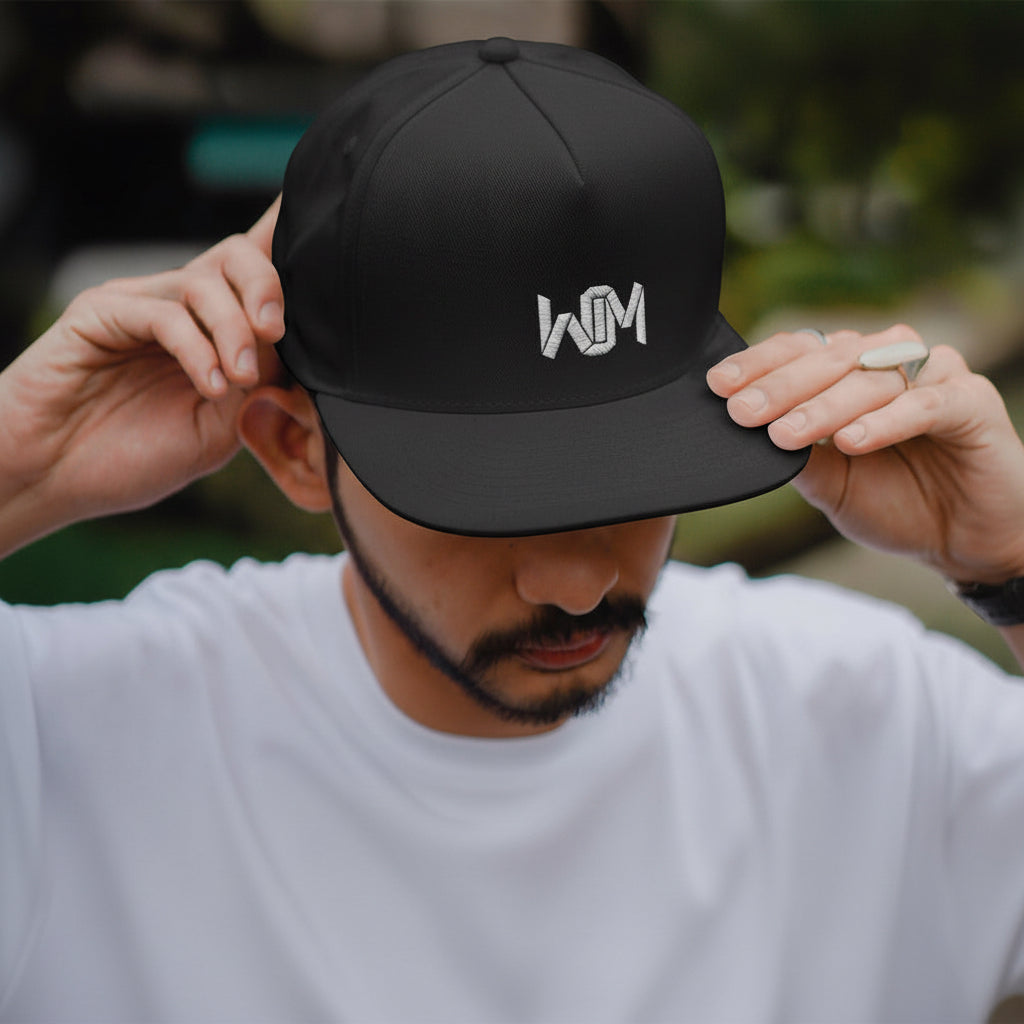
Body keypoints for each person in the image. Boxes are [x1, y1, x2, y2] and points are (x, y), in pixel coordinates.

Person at [3, 37, 1024, 1024]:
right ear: (293, 447)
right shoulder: (71, 736)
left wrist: (1012, 559)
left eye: (635, 476)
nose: (577, 583)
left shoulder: (865, 717)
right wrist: (17, 474)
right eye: (487, 499)